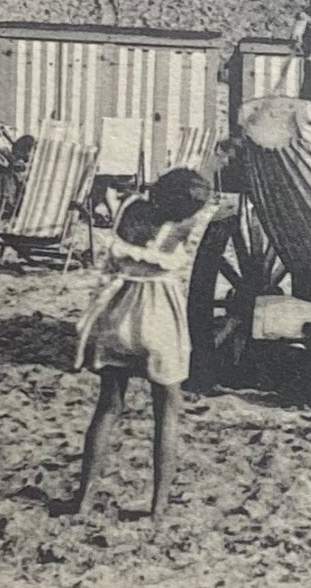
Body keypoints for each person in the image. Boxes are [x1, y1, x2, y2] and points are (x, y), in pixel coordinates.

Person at [69, 169, 217, 518]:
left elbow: (114, 204)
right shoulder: (185, 225)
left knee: (108, 407)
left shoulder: (131, 209)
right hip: (161, 315)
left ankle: (84, 499)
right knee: (167, 412)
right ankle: (158, 505)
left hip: (119, 312)